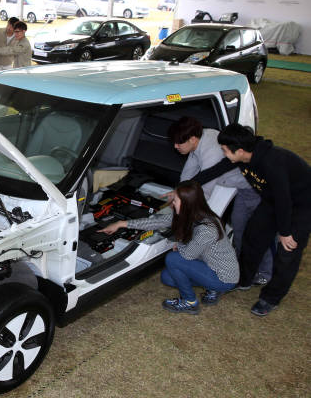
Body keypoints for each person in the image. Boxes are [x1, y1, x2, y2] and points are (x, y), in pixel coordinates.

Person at [192, 124, 311, 316]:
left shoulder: (273, 162)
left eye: (224, 150)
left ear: (239, 150)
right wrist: (185, 187)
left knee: (287, 252)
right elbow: (213, 171)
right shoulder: (243, 157)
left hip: (301, 205)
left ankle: (271, 298)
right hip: (273, 200)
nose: (224, 154)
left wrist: (286, 232)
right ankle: (244, 280)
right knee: (252, 237)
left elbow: (284, 200)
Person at [100, 180, 239, 314]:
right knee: (167, 277)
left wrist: (178, 245)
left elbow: (187, 255)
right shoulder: (188, 216)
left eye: (175, 200)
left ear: (187, 203)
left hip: (224, 277)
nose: (172, 203)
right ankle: (211, 287)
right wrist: (121, 224)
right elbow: (157, 222)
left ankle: (190, 303)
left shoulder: (206, 229)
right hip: (208, 265)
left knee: (173, 259)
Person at [168, 117, 272, 285]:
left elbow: (205, 189)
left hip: (254, 191)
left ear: (192, 139)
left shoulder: (212, 150)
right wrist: (178, 192)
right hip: (239, 191)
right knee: (239, 230)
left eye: (179, 143)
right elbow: (190, 172)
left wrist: (185, 208)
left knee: (256, 234)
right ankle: (242, 269)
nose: (175, 146)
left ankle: (265, 273)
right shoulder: (198, 141)